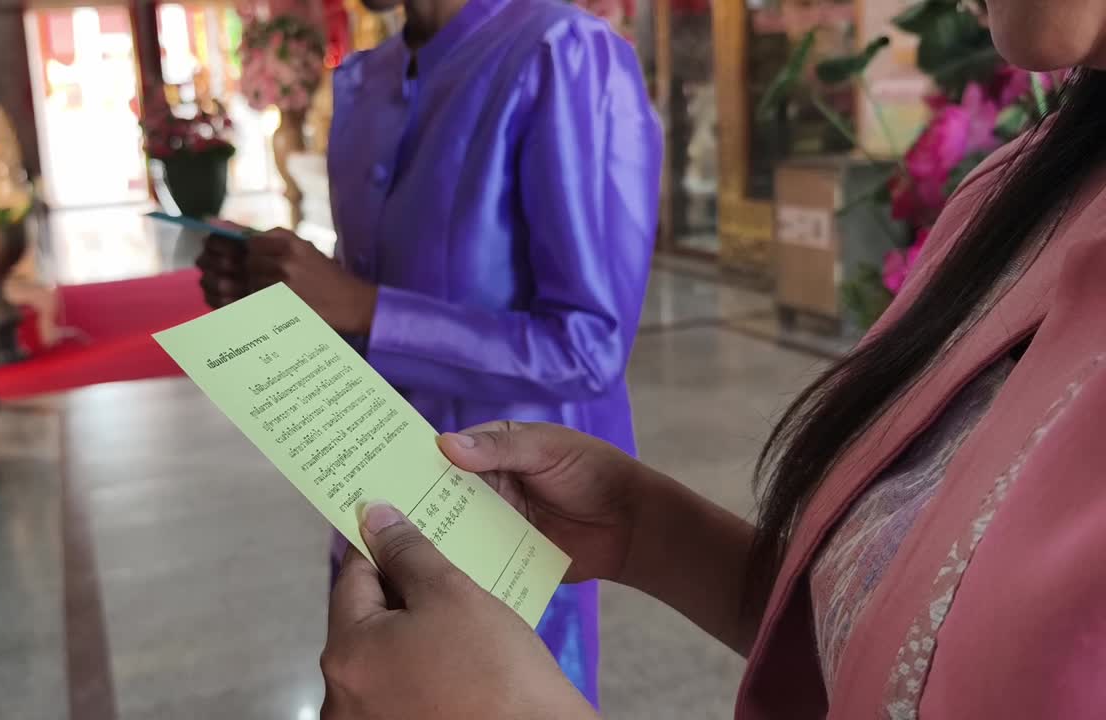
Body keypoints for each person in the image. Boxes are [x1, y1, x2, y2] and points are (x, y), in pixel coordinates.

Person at [316, 4, 1106, 718]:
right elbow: (891, 646)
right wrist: (647, 529)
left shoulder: (564, 53)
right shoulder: (1015, 193)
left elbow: (586, 336)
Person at [196, 0, 661, 707]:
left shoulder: (559, 52)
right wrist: (289, 291)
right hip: (369, 490)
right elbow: (377, 294)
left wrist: (362, 306)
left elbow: (588, 346)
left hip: (507, 515)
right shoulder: (366, 78)